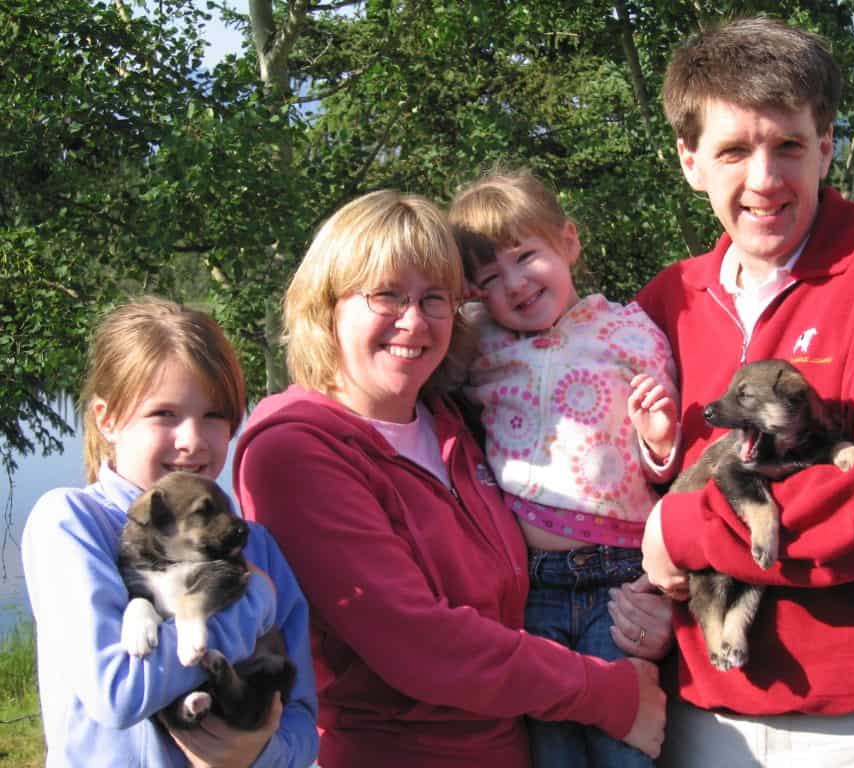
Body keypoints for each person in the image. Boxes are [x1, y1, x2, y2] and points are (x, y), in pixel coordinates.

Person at [638, 17, 854, 767]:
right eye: (733, 150)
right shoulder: (664, 303)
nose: (764, 179)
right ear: (689, 160)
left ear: (827, 146)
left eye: (788, 146)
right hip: (702, 724)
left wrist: (681, 531)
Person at [233, 190, 668, 768]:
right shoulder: (294, 450)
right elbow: (418, 641)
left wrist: (646, 612)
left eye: (434, 298)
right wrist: (608, 693)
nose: (413, 321)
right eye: (386, 294)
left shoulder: (456, 422)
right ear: (327, 305)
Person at [21, 296, 319, 768]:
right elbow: (118, 691)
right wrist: (251, 604)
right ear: (108, 418)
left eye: (215, 415)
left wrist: (255, 756)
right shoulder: (72, 524)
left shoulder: (256, 543)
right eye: (164, 414)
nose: (193, 440)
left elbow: (303, 721)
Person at [448, 169, 680, 768]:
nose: (516, 284)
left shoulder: (629, 331)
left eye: (527, 256)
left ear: (569, 242)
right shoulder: (482, 345)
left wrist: (659, 438)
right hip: (533, 588)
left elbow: (666, 468)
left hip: (621, 583)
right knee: (552, 749)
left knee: (625, 743)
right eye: (490, 279)